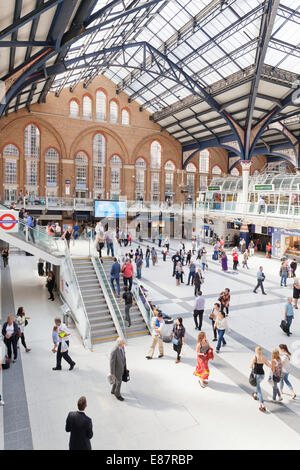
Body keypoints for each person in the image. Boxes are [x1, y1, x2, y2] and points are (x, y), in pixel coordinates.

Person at [250, 346, 271, 413]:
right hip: (262, 375)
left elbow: (250, 366)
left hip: (256, 375)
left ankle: (262, 405)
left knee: (259, 389)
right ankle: (255, 395)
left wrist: (253, 365)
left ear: (256, 351)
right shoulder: (263, 358)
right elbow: (269, 365)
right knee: (257, 385)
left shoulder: (255, 357)